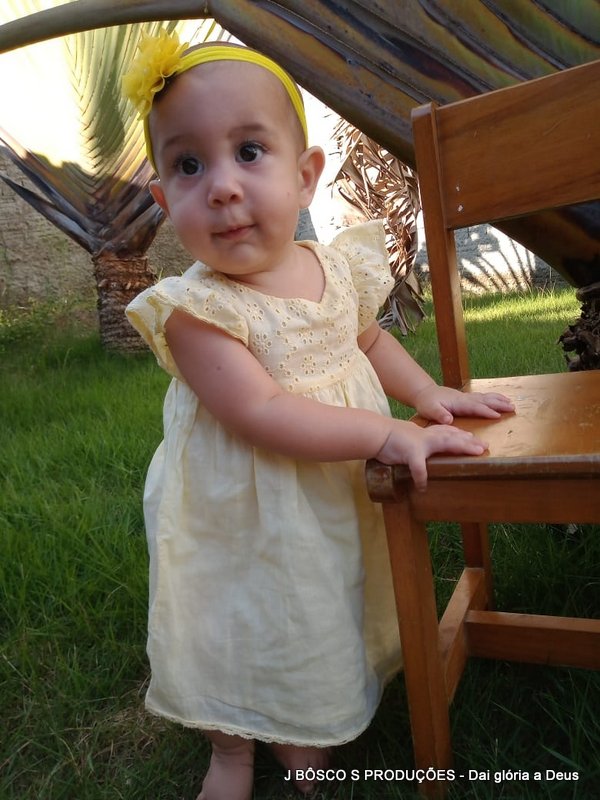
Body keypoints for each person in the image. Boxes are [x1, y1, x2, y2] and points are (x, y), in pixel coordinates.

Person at [122, 32, 514, 800]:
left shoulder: (331, 265)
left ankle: (299, 718)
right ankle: (230, 744)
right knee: (235, 615)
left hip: (326, 485)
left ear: (305, 177)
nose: (222, 188)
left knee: (313, 600)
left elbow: (366, 338)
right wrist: (385, 433)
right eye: (189, 165)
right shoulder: (195, 310)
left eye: (249, 152)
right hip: (236, 506)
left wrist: (424, 396)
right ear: (165, 201)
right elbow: (261, 410)